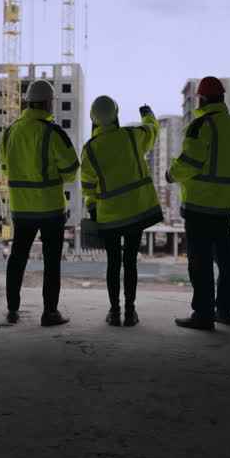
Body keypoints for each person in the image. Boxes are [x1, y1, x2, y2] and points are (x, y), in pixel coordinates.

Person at [167, 77, 230, 330]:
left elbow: (189, 164)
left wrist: (171, 173)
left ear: (201, 99)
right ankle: (225, 311)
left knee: (199, 262)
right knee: (224, 259)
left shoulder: (200, 126)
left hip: (199, 207)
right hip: (224, 206)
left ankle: (203, 315)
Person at [0, 79, 80, 326]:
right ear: (48, 103)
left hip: (21, 208)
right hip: (49, 210)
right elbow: (71, 171)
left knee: (17, 258)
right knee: (51, 261)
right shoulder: (53, 132)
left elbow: (5, 167)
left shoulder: (11, 131)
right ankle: (50, 313)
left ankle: (13, 310)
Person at [80, 96, 164, 327]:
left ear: (93, 119)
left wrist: (92, 208)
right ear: (115, 116)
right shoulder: (131, 137)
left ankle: (114, 312)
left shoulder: (90, 150)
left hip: (109, 217)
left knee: (113, 263)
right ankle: (130, 312)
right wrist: (147, 113)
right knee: (130, 262)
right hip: (136, 212)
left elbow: (87, 184)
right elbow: (152, 130)